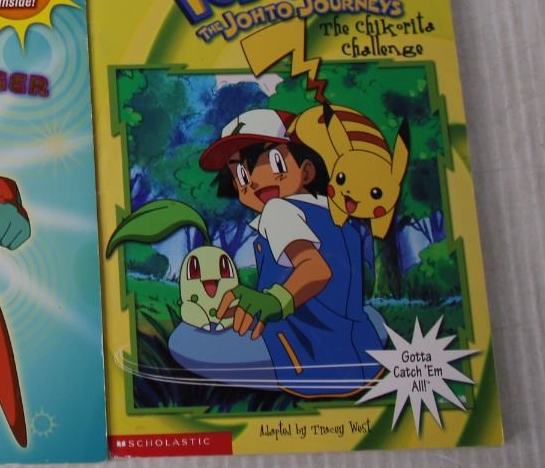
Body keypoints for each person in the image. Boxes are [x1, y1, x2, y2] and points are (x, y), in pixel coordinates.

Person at [165, 107, 386, 397]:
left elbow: (316, 269)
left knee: (184, 340)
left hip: (304, 360)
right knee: (371, 316)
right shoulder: (341, 218)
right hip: (356, 355)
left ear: (306, 170)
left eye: (272, 161)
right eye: (240, 172)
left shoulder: (278, 210)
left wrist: (273, 301)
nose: (253, 181)